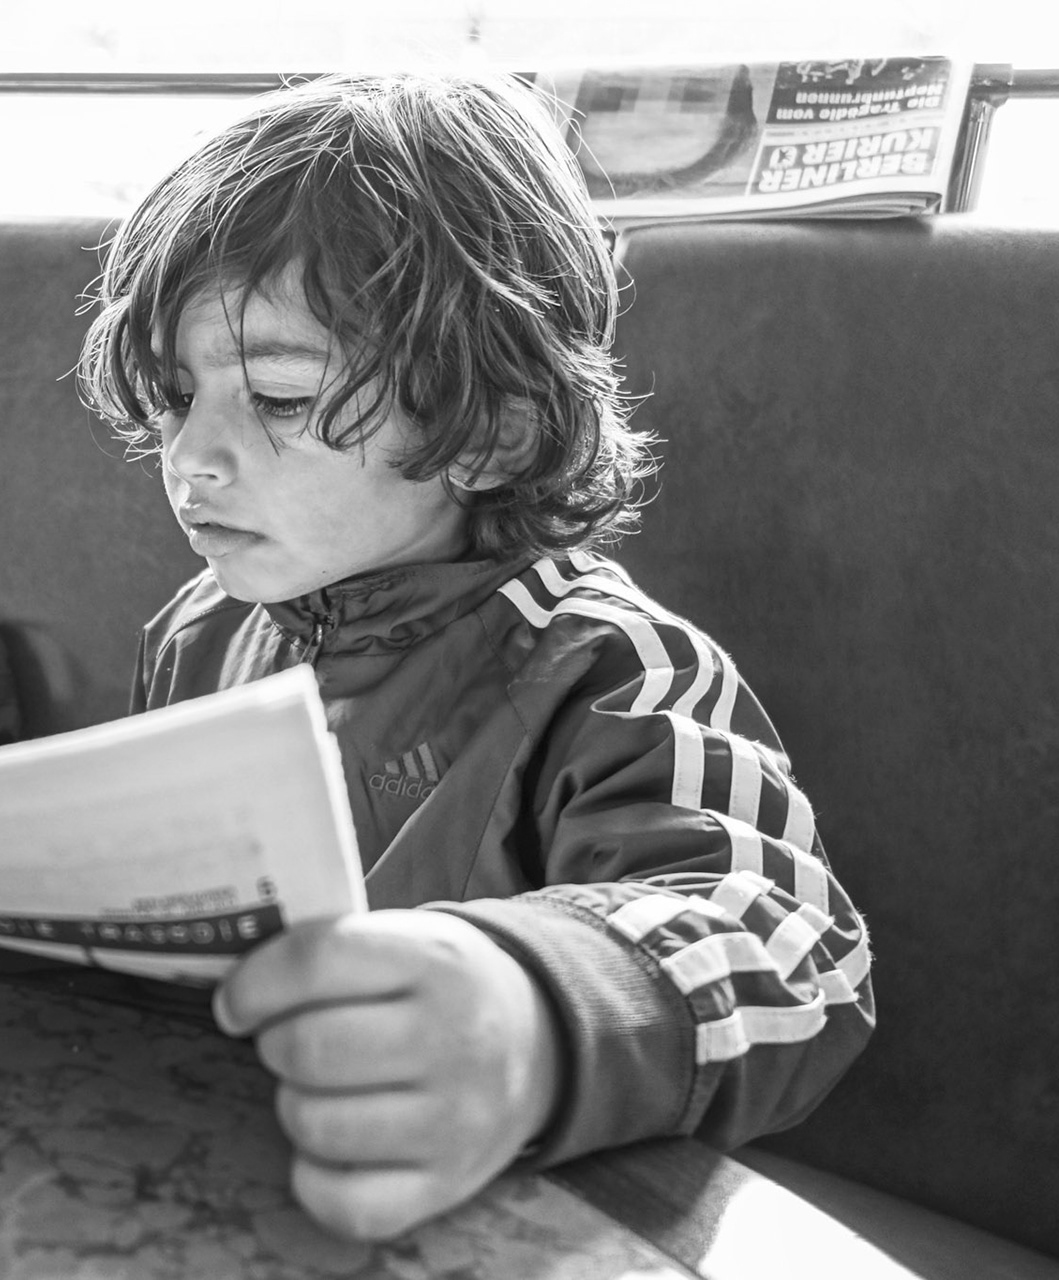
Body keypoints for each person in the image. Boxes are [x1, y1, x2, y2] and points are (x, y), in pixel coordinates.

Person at [77, 73, 874, 1241]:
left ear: (491, 427)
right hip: (219, 1181)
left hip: (511, 1218)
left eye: (281, 395)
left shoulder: (618, 668)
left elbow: (790, 945)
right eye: (178, 393)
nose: (191, 455)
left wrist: (531, 1010)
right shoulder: (202, 629)